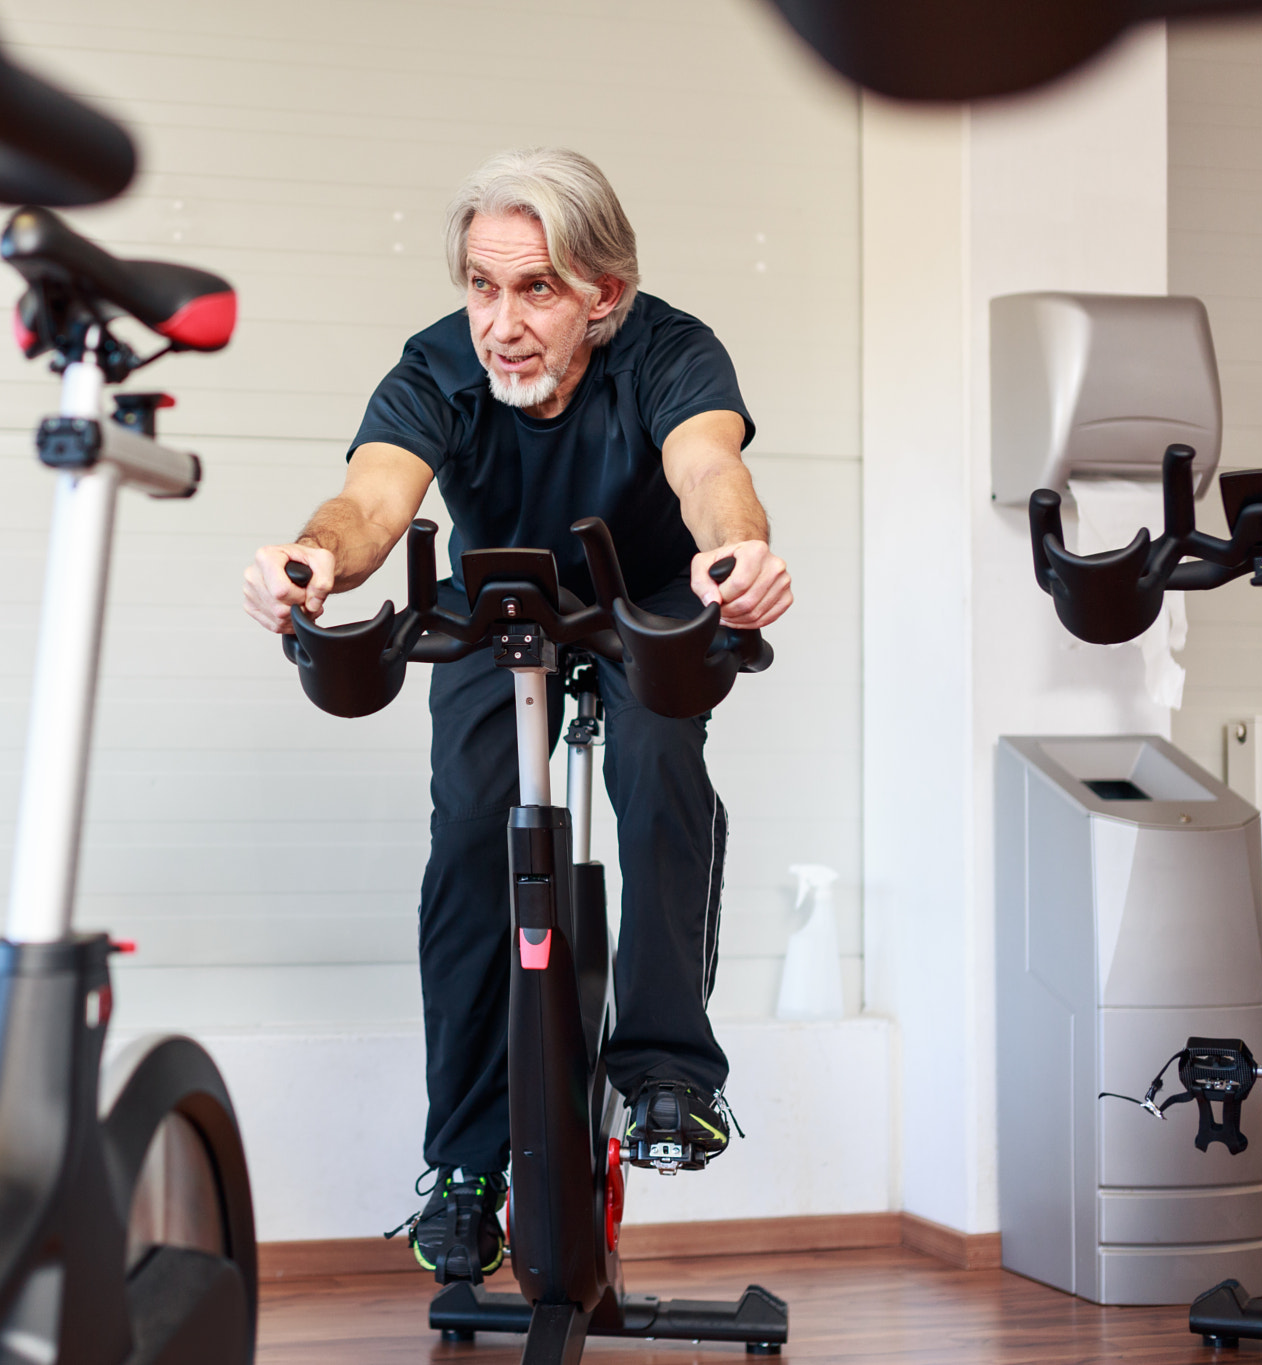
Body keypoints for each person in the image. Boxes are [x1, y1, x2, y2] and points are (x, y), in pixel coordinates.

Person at [241, 147, 794, 1281]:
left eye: (535, 288)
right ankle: (463, 1167)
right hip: (496, 607)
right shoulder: (437, 367)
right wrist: (311, 557)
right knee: (466, 843)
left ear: (605, 296)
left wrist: (739, 549)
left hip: (645, 599)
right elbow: (370, 501)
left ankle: (665, 1076)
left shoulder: (669, 350)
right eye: (481, 287)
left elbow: (707, 469)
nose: (501, 322)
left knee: (655, 762)